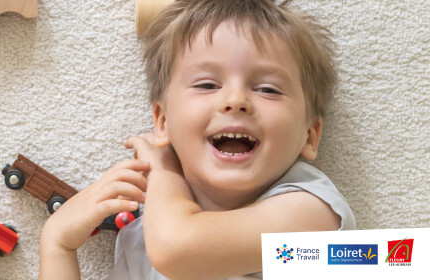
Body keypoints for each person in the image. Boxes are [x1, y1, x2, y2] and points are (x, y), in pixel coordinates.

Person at [39, 0, 356, 279]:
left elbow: (176, 250)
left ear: (310, 135)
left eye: (268, 89)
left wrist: (164, 169)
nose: (235, 100)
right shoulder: (142, 236)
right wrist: (57, 244)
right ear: (163, 122)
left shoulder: (313, 212)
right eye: (207, 85)